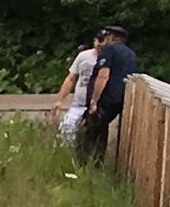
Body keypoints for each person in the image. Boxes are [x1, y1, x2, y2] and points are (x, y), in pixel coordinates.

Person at [80, 23, 138, 163]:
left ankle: (86, 165)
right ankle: (97, 162)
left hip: (106, 98)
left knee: (90, 132)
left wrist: (94, 101)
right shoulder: (131, 55)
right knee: (102, 129)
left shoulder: (109, 50)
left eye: (106, 36)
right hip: (121, 99)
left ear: (112, 37)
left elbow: (103, 75)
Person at [54, 33, 102, 151]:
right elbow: (71, 78)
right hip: (79, 102)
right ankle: (65, 154)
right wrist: (60, 100)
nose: (100, 43)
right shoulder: (83, 56)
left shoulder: (109, 58)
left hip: (98, 104)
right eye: (98, 40)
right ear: (94, 41)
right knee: (67, 129)